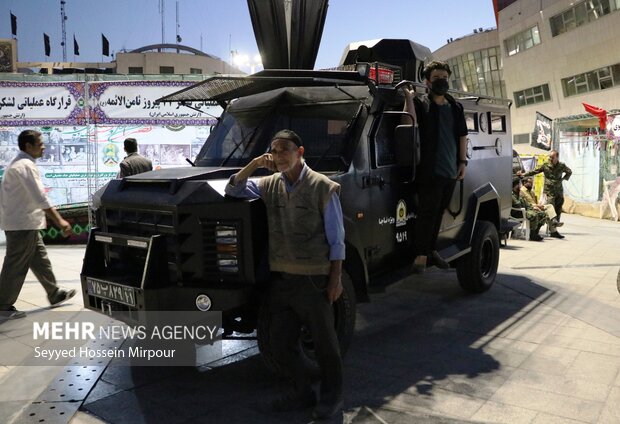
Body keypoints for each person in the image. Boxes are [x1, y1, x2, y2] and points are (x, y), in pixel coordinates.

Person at [225, 129, 345, 420]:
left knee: (326, 346)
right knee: (279, 343)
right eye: (274, 151)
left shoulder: (323, 186)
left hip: (314, 280)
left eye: (285, 150)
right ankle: (302, 393)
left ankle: (332, 399)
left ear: (300, 152)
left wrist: (335, 280)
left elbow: (337, 239)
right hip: (283, 280)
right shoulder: (269, 184)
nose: (279, 156)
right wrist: (254, 164)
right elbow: (233, 190)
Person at [0, 130, 75, 320]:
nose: (43, 146)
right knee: (15, 265)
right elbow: (40, 197)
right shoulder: (25, 166)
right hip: (22, 225)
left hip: (25, 223)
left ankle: (54, 293)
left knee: (40, 260)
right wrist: (59, 220)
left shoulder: (20, 164)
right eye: (40, 143)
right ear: (28, 146)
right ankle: (2, 306)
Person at [401, 60, 469, 273]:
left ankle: (430, 250)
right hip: (429, 170)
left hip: (451, 170)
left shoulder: (455, 106)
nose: (442, 81)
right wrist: (408, 99)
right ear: (427, 81)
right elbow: (407, 123)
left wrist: (463, 162)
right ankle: (421, 255)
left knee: (439, 213)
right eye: (437, 78)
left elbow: (462, 136)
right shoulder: (422, 104)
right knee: (427, 213)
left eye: (445, 78)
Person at [521, 149, 572, 221]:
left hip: (559, 190)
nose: (550, 159)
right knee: (550, 206)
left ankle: (556, 223)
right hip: (549, 191)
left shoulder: (561, 166)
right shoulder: (545, 165)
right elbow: (535, 171)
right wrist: (524, 174)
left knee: (558, 207)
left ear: (557, 157)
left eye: (552, 157)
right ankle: (553, 221)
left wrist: (563, 179)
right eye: (550, 157)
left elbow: (569, 172)